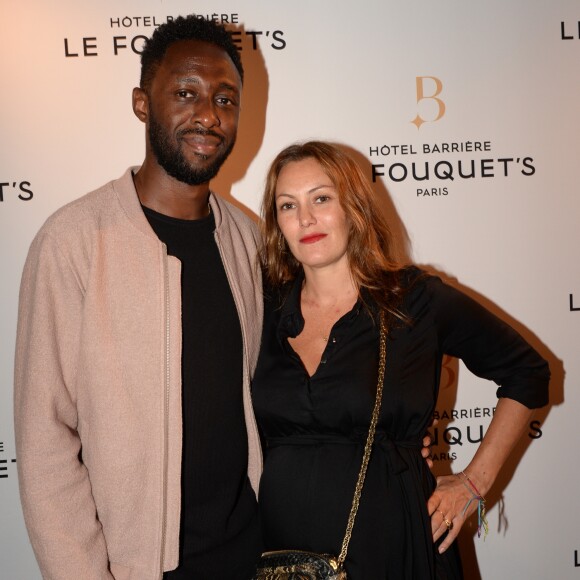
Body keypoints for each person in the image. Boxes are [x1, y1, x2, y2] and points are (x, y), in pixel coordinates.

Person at [13, 16, 264, 580]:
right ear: (141, 103)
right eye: (185, 93)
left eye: (225, 98)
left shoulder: (247, 239)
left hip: (249, 554)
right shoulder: (73, 242)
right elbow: (44, 438)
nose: (207, 114)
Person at [252, 141, 550, 578]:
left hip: (392, 544)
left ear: (353, 207)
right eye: (287, 205)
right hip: (280, 555)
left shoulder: (413, 301)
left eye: (321, 198)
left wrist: (474, 483)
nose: (306, 219)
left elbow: (528, 372)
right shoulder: (261, 308)